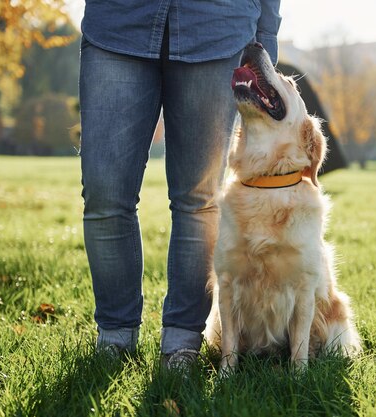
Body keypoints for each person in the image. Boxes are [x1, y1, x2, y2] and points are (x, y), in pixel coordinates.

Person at [78, 1, 282, 369]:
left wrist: (265, 35)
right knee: (104, 195)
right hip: (117, 24)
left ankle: (182, 342)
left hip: (218, 26)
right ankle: (115, 335)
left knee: (198, 199)